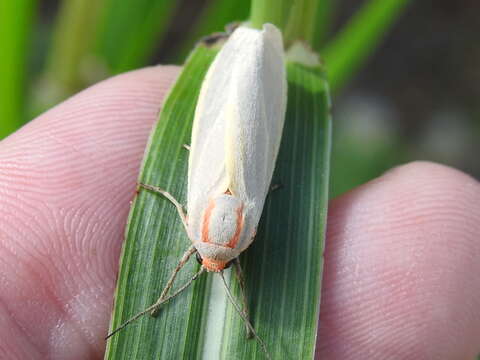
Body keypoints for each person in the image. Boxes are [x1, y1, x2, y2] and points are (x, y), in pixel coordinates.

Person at [0, 66, 479, 359]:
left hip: (228, 183)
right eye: (218, 264)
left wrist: (163, 195)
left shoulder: (227, 240)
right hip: (233, 181)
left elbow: (177, 204)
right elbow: (180, 208)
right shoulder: (224, 242)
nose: (212, 267)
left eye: (214, 264)